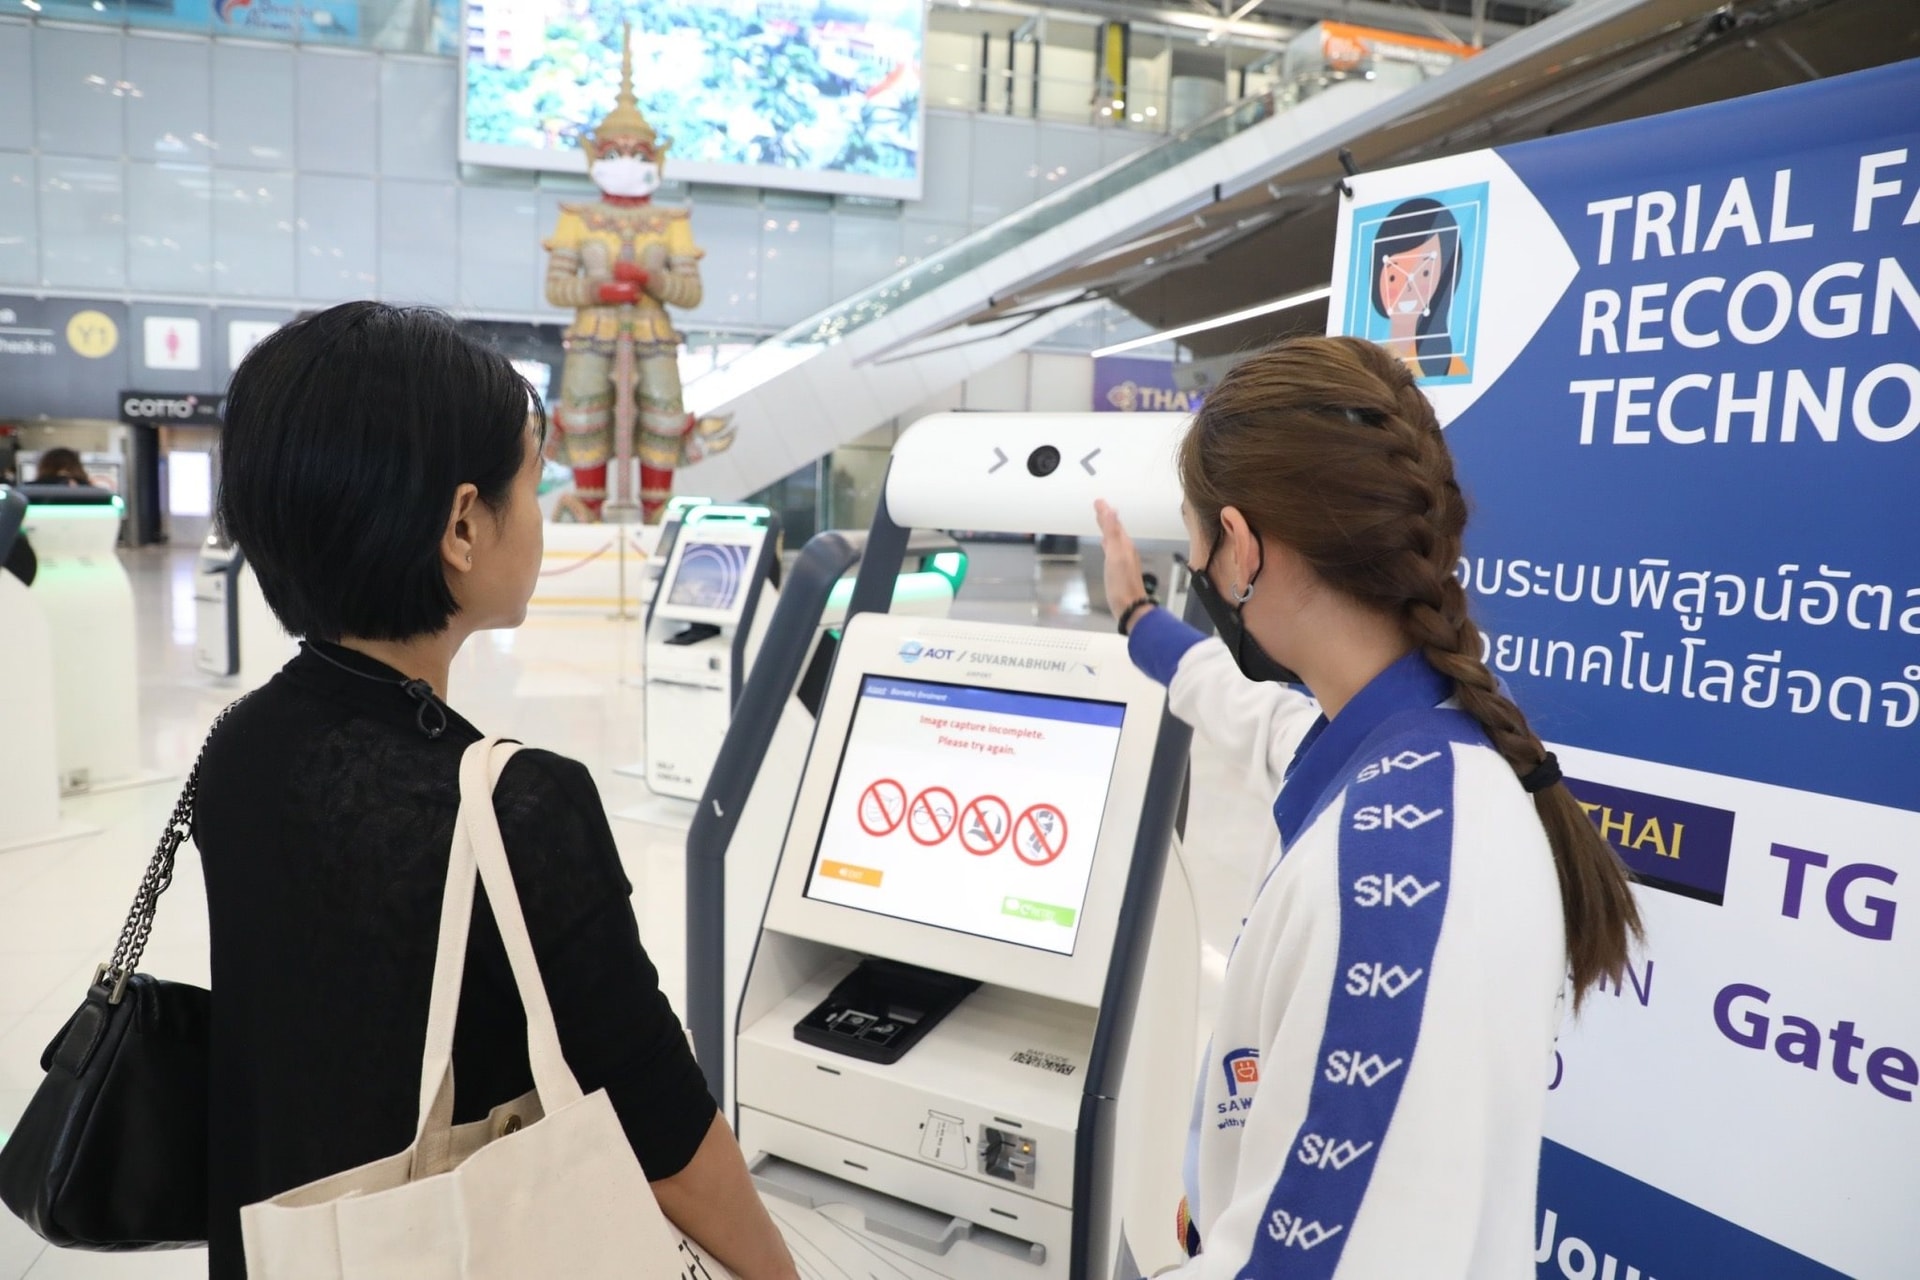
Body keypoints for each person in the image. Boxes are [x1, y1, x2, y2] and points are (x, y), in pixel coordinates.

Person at [198, 302, 796, 1279]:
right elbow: (668, 1135)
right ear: (464, 525)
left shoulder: (239, 743)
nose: (544, 510)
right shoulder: (518, 806)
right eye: (532, 478)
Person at [1095, 334, 1641, 1278]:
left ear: (1244, 544)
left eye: (1198, 553)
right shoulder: (1414, 745)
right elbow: (1253, 715)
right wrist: (1141, 624)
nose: (1205, 576)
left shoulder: (1390, 889)